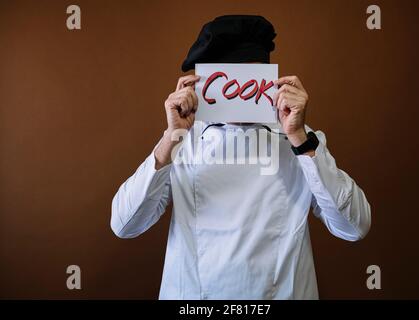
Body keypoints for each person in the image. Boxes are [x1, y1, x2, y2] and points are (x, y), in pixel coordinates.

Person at [111, 15, 371, 299]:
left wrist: (300, 139)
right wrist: (170, 139)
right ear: (207, 84)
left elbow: (354, 227)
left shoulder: (299, 137)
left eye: (252, 82)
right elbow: (125, 225)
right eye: (230, 84)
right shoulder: (182, 140)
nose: (242, 95)